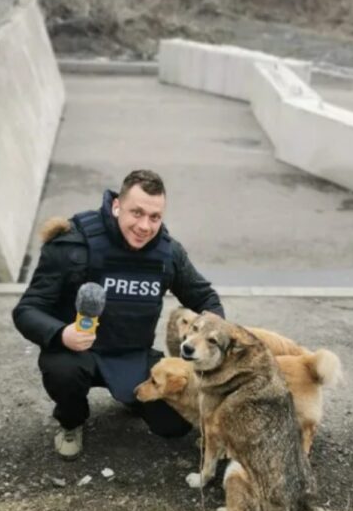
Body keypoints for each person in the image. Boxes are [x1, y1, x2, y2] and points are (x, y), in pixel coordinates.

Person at [13, 170, 224, 459]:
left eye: (154, 217)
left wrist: (214, 339)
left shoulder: (168, 254)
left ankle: (132, 395)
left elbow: (205, 297)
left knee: (174, 426)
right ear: (116, 206)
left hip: (132, 354)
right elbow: (27, 310)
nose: (145, 226)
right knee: (62, 373)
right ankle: (71, 421)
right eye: (136, 213)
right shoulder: (73, 245)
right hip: (77, 354)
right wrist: (62, 334)